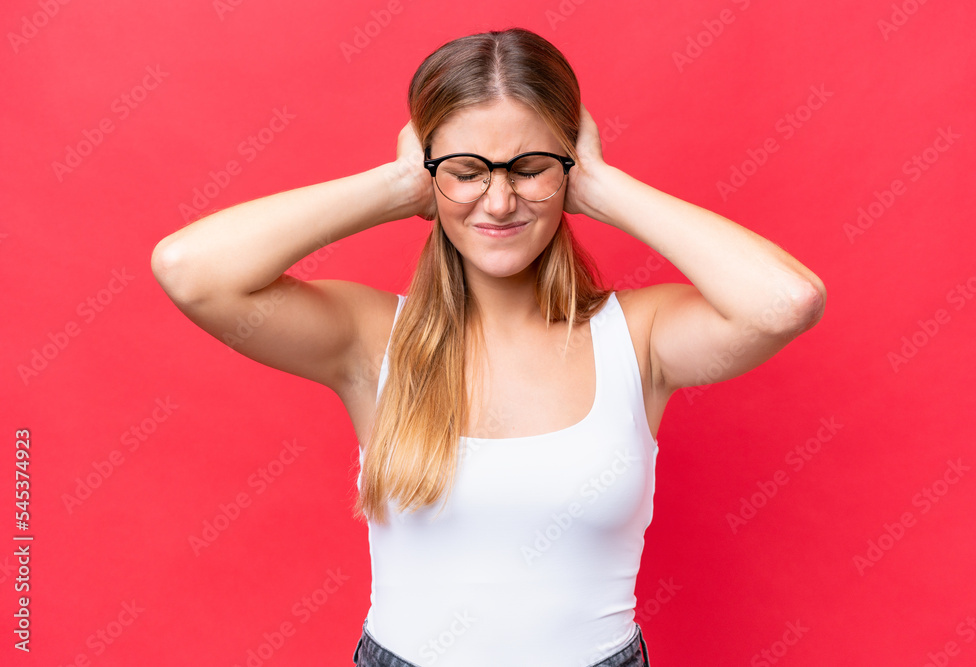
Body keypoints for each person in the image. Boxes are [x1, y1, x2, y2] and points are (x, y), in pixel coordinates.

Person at [151, 26, 825, 667]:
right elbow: (190, 270)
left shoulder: (637, 337)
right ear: (430, 172)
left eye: (530, 168)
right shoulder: (370, 340)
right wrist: (398, 184)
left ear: (568, 169)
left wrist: (601, 185)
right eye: (467, 169)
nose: (499, 202)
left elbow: (786, 301)